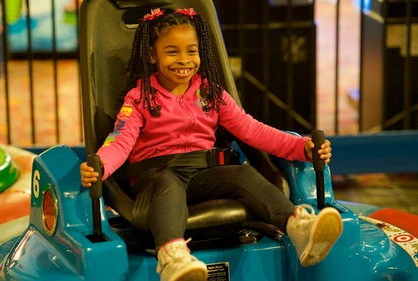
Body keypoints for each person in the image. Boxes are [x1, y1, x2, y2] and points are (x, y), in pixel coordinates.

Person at [80, 8, 342, 281]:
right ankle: (173, 258)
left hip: (203, 175)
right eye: (172, 52)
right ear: (151, 55)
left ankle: (299, 228)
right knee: (167, 183)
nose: (184, 60)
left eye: (191, 51)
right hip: (156, 179)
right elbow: (119, 140)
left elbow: (253, 130)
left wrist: (301, 147)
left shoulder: (211, 93)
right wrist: (101, 167)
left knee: (241, 173)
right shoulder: (139, 98)